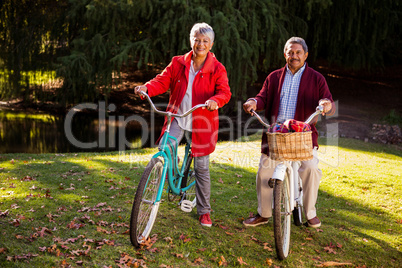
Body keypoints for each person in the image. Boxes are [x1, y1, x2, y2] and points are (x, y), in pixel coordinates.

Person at [134, 22, 231, 227]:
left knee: (202, 168)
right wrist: (146, 88)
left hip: (202, 122)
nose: (200, 44)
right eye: (197, 39)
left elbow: (225, 92)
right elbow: (162, 81)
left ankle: (204, 211)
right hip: (178, 116)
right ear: (191, 41)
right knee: (164, 148)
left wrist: (216, 100)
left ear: (211, 44)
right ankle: (171, 175)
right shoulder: (178, 62)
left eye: (205, 41)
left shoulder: (217, 68)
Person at [242, 37, 335, 228]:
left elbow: (327, 101)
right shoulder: (274, 77)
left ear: (305, 55)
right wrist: (253, 102)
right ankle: (264, 214)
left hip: (303, 136)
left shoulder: (317, 78)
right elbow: (262, 98)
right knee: (264, 171)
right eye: (290, 52)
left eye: (298, 52)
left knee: (310, 169)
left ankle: (310, 213)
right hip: (277, 135)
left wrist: (326, 105)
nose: (294, 56)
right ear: (285, 54)